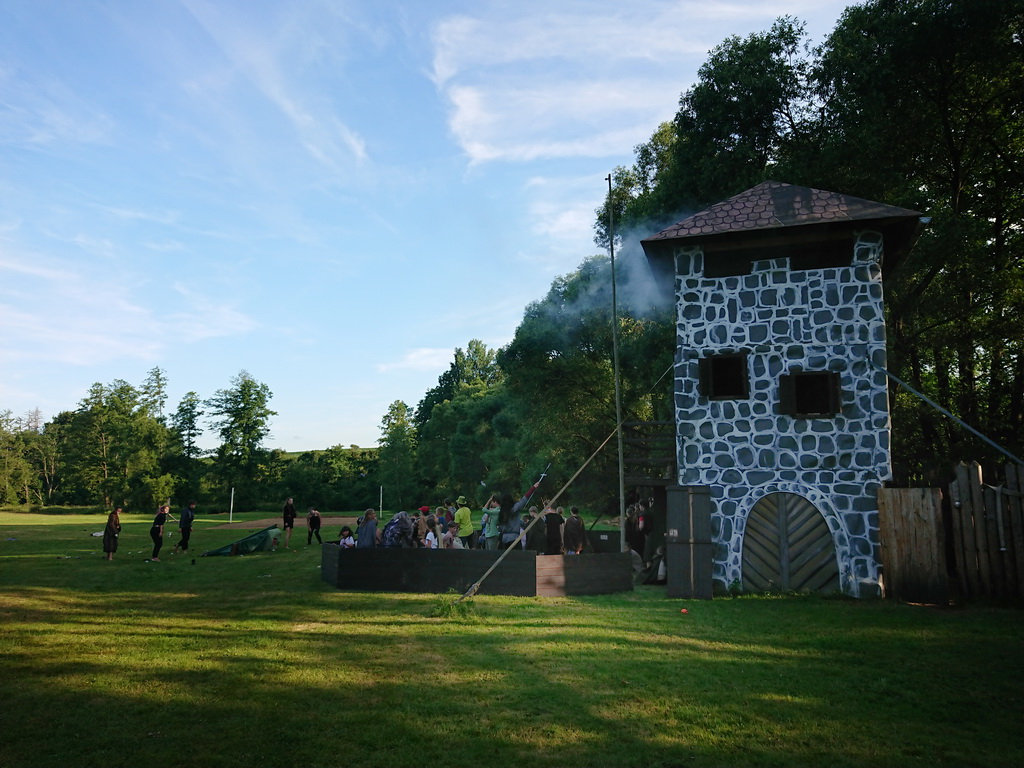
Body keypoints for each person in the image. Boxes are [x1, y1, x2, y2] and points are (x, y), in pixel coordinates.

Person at [497, 475, 544, 550]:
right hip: (514, 538)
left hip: (503, 539)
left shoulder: (501, 512)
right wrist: (533, 487)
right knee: (517, 556)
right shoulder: (514, 508)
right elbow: (525, 498)